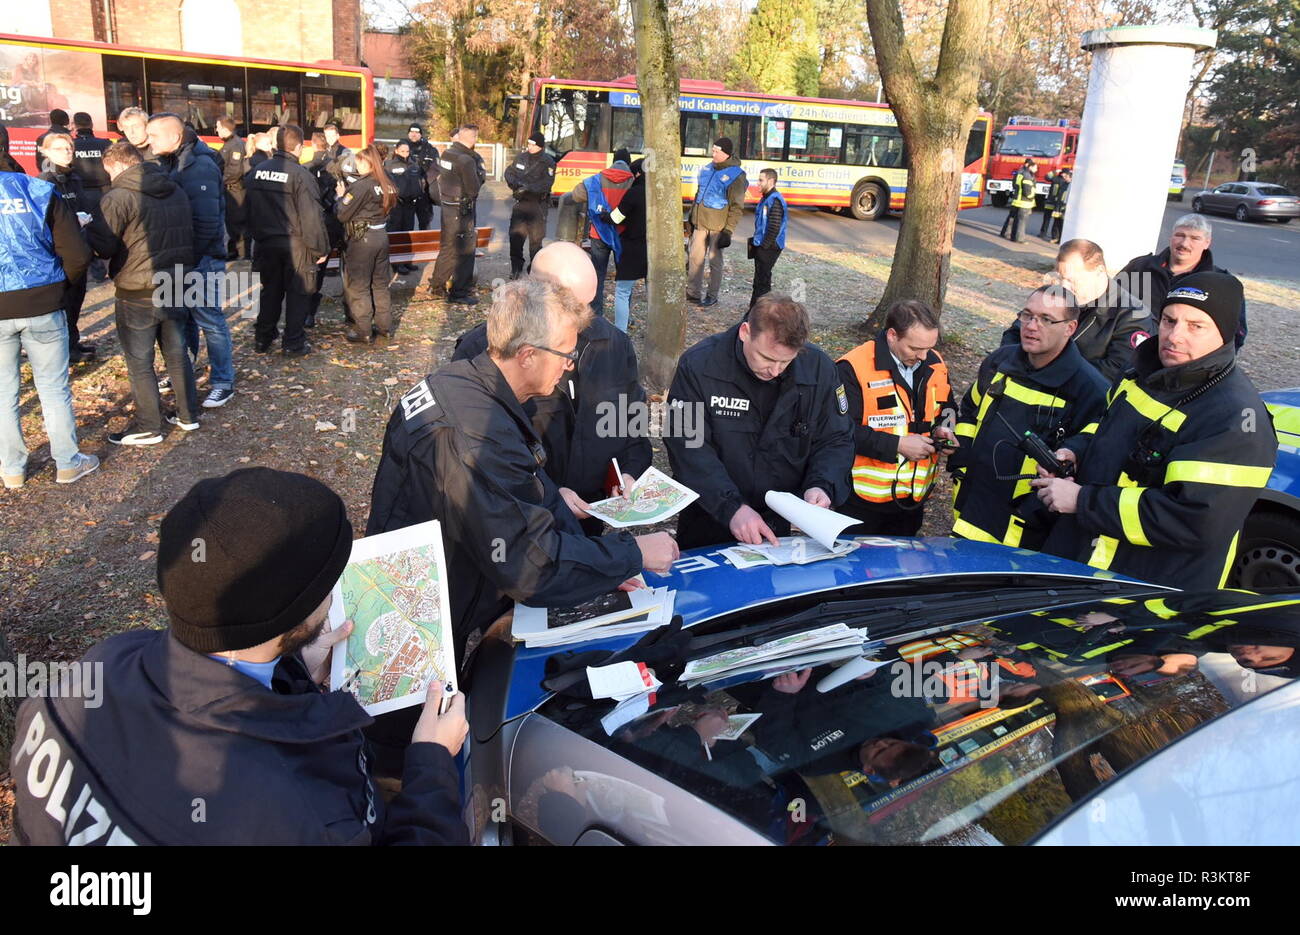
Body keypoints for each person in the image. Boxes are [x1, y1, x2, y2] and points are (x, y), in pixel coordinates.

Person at [8, 467, 470, 845]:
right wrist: (431, 761)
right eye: (330, 582)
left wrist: (292, 671)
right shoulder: (298, 809)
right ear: (290, 617)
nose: (335, 593)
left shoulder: (99, 665)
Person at [368, 277, 679, 660]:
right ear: (528, 354)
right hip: (416, 618)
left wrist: (557, 503)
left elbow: (514, 492)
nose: (569, 366)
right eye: (564, 353)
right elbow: (529, 566)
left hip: (431, 586)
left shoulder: (461, 384)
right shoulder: (476, 435)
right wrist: (632, 553)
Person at [1035, 271, 1277, 589]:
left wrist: (1083, 501)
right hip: (1085, 560)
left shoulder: (1237, 418)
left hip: (1149, 595)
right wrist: (1075, 451)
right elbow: (1104, 427)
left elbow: (1194, 520)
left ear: (1225, 333)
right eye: (1169, 320)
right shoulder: (1142, 371)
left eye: (1196, 326)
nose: (1175, 336)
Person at [452, 241, 654, 532]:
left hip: (591, 515)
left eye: (591, 305)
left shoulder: (613, 344)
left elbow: (631, 421)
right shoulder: (485, 351)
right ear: (535, 294)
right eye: (574, 307)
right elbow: (476, 454)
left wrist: (629, 473)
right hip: (521, 521)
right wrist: (547, 493)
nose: (585, 320)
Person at [665, 293, 854, 550]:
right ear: (745, 332)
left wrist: (822, 485)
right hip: (711, 516)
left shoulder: (818, 369)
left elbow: (836, 437)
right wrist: (732, 508)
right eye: (766, 358)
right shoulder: (700, 366)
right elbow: (687, 446)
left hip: (785, 525)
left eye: (786, 361)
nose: (775, 370)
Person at [948, 285, 1109, 549]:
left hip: (1025, 533)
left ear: (1070, 328)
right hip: (969, 508)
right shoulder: (999, 362)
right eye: (1027, 315)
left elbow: (1090, 455)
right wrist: (961, 463)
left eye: (1046, 319)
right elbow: (970, 410)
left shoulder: (1091, 389)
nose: (1032, 326)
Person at [88, 141, 199, 445]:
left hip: (138, 289)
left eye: (109, 171)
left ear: (119, 165)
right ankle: (188, 415)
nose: (108, 177)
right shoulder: (174, 187)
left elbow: (105, 247)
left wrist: (88, 228)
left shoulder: (117, 196)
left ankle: (148, 425)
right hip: (177, 281)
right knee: (177, 353)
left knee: (140, 361)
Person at [0, 157, 99, 488]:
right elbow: (77, 254)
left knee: (3, 392)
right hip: (44, 302)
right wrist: (59, 290)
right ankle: (68, 462)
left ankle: (12, 469)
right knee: (53, 388)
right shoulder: (40, 191)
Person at [836, 300, 957, 536]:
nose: (923, 356)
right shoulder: (853, 368)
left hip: (913, 498)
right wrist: (898, 445)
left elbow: (948, 408)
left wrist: (946, 428)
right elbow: (841, 431)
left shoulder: (935, 362)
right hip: (862, 502)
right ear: (892, 335)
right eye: (915, 348)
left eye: (929, 347)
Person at [149, 114, 235, 409]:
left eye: (154, 136)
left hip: (200, 259)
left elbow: (207, 222)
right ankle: (181, 372)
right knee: (181, 322)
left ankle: (223, 382)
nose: (149, 142)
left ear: (174, 137)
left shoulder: (199, 166)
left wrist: (187, 261)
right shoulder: (172, 161)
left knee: (210, 321)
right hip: (180, 259)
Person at [1001, 239, 1151, 383]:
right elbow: (1014, 335)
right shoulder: (1056, 295)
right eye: (1060, 278)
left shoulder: (1133, 315)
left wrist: (1049, 372)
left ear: (1099, 271)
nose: (1064, 287)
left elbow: (1116, 372)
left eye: (1072, 280)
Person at [244, 125, 330, 357]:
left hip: (265, 243)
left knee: (270, 291)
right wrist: (320, 248)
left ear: (275, 145)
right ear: (300, 147)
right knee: (298, 294)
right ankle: (293, 342)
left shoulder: (257, 171)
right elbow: (312, 217)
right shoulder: (302, 175)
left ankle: (263, 337)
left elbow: (247, 210)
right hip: (296, 246)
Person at [1119, 213, 1246, 348]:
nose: (1184, 243)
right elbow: (1107, 308)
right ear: (1171, 237)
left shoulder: (1221, 284)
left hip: (1184, 360)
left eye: (1195, 238)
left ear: (1207, 243)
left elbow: (1235, 335)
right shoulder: (1139, 267)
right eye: (1180, 235)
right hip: (1130, 353)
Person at [35, 130, 94, 363]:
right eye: (60, 148)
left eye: (69, 148)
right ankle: (65, 350)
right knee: (66, 302)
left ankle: (73, 342)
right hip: (61, 251)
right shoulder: (46, 180)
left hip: (78, 245)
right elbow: (44, 220)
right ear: (47, 152)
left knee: (76, 299)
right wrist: (73, 221)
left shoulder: (73, 176)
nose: (67, 152)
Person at [334, 143, 397, 343]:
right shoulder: (387, 183)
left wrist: (341, 196)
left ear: (368, 162)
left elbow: (342, 214)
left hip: (362, 240)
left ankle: (364, 330)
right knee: (380, 284)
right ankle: (385, 326)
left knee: (359, 286)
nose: (357, 166)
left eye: (359, 162)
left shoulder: (361, 185)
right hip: (381, 236)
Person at [568, 148, 635, 316]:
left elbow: (576, 196)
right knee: (625, 279)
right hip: (624, 235)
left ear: (613, 161)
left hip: (599, 233)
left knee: (598, 275)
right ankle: (624, 316)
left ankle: (596, 315)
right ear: (629, 163)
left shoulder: (596, 180)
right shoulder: (635, 182)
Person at [686, 137, 747, 307]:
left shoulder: (736, 175)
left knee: (715, 262)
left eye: (716, 151)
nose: (712, 153)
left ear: (725, 154)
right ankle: (693, 292)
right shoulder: (707, 169)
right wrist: (691, 217)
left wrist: (728, 231)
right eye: (712, 150)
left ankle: (712, 295)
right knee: (695, 258)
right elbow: (699, 194)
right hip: (700, 223)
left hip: (718, 228)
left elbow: (737, 206)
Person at [430, 124, 484, 305]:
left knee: (447, 247)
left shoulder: (447, 153)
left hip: (448, 206)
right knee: (465, 251)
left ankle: (437, 285)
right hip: (462, 210)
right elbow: (473, 189)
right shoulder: (466, 160)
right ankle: (459, 292)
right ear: (474, 138)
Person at [505, 131, 557, 279]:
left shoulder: (548, 162)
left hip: (538, 205)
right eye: (529, 143)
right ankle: (516, 268)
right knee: (515, 238)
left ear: (540, 146)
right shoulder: (521, 157)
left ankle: (533, 268)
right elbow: (509, 172)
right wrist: (516, 184)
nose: (530, 146)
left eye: (533, 144)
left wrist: (527, 187)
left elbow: (546, 184)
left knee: (535, 241)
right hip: (521, 204)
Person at [71, 113, 111, 280]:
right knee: (108, 228)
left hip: (82, 193)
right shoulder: (105, 144)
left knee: (86, 230)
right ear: (91, 123)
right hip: (106, 191)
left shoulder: (71, 145)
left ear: (74, 126)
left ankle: (97, 269)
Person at [612, 158, 647, 333]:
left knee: (622, 291)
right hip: (655, 251)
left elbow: (617, 217)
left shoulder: (634, 193)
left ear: (639, 174)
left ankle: (620, 331)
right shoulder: (661, 193)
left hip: (634, 247)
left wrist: (605, 215)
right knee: (654, 294)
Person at [749, 167, 786, 310]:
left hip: (770, 247)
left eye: (761, 180)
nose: (757, 183)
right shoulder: (766, 198)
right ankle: (758, 309)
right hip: (763, 245)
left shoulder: (774, 200)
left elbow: (774, 227)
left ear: (771, 181)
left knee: (762, 281)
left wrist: (763, 246)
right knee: (760, 280)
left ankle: (759, 311)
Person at [383, 139, 422, 274]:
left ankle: (406, 261)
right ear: (396, 151)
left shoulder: (414, 164)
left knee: (408, 233)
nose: (405, 154)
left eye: (407, 151)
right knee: (396, 233)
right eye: (402, 151)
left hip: (410, 204)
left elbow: (419, 182)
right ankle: (397, 263)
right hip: (396, 205)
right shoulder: (389, 165)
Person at [215, 116, 248, 260]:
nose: (216, 130)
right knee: (232, 222)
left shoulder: (234, 145)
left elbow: (234, 171)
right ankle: (235, 251)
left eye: (218, 127)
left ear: (224, 128)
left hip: (234, 189)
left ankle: (240, 253)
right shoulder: (229, 143)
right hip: (230, 188)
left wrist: (220, 181)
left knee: (236, 222)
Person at [404, 124, 439, 230]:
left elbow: (436, 168)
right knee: (405, 223)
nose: (414, 135)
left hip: (424, 193)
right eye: (412, 132)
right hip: (406, 193)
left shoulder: (430, 149)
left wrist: (424, 182)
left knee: (425, 222)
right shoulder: (402, 147)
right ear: (408, 133)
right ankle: (407, 246)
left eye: (417, 132)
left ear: (421, 134)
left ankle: (425, 245)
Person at [1000, 158, 1036, 243]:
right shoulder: (1027, 175)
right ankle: (1018, 238)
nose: (1036, 169)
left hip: (1017, 199)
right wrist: (1031, 197)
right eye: (1035, 167)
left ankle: (1006, 233)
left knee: (1012, 217)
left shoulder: (1019, 172)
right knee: (1021, 221)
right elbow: (1027, 190)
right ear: (1028, 165)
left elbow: (1014, 184)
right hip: (1024, 201)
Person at [1046, 167, 1070, 243]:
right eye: (1064, 175)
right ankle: (1055, 237)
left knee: (1062, 224)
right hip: (1058, 206)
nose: (1064, 177)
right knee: (1056, 223)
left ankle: (1061, 239)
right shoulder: (1061, 182)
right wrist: (1054, 171)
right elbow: (1047, 177)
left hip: (1064, 207)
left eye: (1066, 176)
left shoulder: (1070, 185)